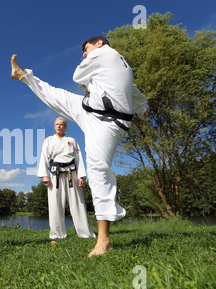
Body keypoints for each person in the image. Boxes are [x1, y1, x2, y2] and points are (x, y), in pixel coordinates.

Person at [11, 36, 149, 258]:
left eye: (87, 49)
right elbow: (132, 89)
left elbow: (77, 76)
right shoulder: (122, 66)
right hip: (91, 110)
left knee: (98, 173)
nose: (85, 54)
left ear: (100, 44)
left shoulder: (104, 53)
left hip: (106, 123)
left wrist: (89, 65)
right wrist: (143, 107)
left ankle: (104, 240)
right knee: (57, 96)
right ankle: (25, 76)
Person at [38, 117, 95, 241]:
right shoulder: (48, 140)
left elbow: (78, 158)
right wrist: (44, 175)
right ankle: (57, 234)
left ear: (65, 127)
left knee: (78, 203)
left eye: (62, 124)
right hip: (55, 175)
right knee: (55, 204)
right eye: (57, 124)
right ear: (54, 126)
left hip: (71, 173)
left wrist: (81, 176)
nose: (59, 126)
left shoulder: (71, 140)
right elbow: (44, 157)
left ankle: (85, 233)